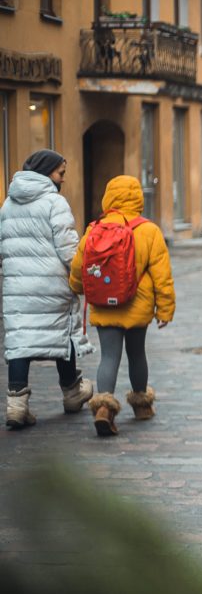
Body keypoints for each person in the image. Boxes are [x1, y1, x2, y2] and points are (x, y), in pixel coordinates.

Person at [69, 176, 175, 437]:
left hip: (104, 304)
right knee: (137, 353)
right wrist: (165, 309)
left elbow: (78, 267)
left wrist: (78, 288)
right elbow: (162, 275)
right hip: (137, 305)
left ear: (109, 198)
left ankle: (103, 409)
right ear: (138, 198)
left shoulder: (95, 228)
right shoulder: (149, 230)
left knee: (109, 356)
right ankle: (141, 407)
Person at [0, 150, 94, 429]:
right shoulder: (55, 202)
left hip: (17, 286)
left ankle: (16, 406)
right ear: (46, 171)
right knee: (62, 337)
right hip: (52, 285)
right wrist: (81, 277)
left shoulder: (7, 205)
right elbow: (69, 250)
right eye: (60, 173)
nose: (62, 179)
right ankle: (72, 393)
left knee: (20, 341)